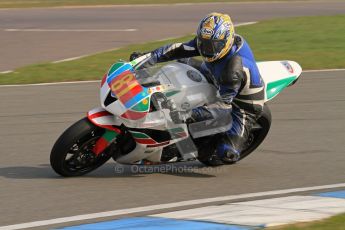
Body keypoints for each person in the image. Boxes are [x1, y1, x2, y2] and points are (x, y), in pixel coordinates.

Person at [130, 12, 265, 165]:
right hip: (214, 74)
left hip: (241, 105)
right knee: (181, 60)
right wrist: (146, 58)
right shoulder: (211, 41)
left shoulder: (233, 70)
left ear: (226, 42)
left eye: (213, 46)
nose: (207, 49)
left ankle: (198, 145)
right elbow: (176, 49)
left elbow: (222, 108)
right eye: (204, 43)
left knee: (226, 153)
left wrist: (187, 114)